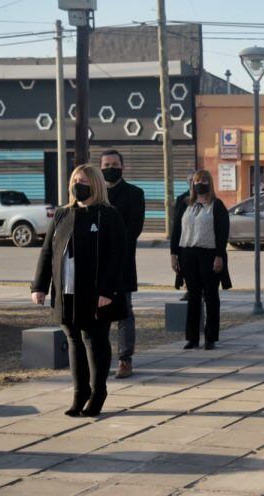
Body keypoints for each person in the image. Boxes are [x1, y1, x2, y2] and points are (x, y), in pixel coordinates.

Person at [31, 164, 127, 417]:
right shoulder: (63, 214)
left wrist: (108, 290)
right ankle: (79, 391)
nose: (77, 184)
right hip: (66, 290)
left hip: (97, 293)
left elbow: (118, 256)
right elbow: (47, 252)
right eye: (74, 179)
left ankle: (98, 392)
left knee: (95, 341)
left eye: (83, 180)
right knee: (73, 340)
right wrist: (39, 286)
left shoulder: (108, 215)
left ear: (94, 183)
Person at [170, 170, 232, 350]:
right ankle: (192, 337)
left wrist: (219, 255)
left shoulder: (217, 205)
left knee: (211, 295)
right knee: (193, 296)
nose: (200, 183)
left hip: (209, 254)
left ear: (210, 183)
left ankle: (210, 337)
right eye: (197, 180)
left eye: (204, 180)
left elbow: (222, 232)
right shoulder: (185, 204)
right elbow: (176, 231)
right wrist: (173, 254)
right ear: (192, 184)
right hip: (187, 253)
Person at [99, 149, 145, 379]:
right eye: (106, 164)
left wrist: (114, 249)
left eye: (114, 164)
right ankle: (100, 358)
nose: (110, 167)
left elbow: (133, 229)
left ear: (122, 167)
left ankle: (125, 359)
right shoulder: (95, 195)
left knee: (124, 312)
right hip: (97, 264)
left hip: (123, 261)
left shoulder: (135, 194)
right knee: (99, 312)